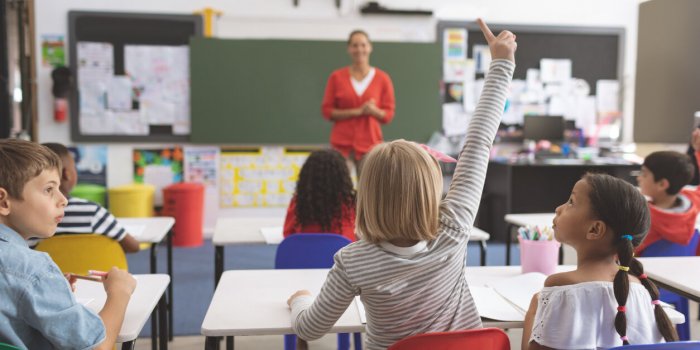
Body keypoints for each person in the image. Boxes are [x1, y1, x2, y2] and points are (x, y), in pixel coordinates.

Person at [287, 19, 515, 349]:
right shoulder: (454, 228)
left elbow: (309, 329)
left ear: (366, 194)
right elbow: (479, 141)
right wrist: (502, 63)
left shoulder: (352, 262)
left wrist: (299, 301)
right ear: (430, 189)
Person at [0, 139, 136, 349]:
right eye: (48, 190)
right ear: (3, 202)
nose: (63, 199)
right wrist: (119, 292)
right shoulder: (34, 271)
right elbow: (98, 347)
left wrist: (51, 292)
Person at [522, 173, 679, 349]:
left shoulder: (561, 287)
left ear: (595, 229)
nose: (559, 208)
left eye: (571, 202)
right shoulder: (641, 289)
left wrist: (534, 311)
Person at [321, 29, 395, 177]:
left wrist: (374, 111)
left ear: (370, 47)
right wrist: (357, 111)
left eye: (363, 45)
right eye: (355, 45)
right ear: (349, 49)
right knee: (339, 189)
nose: (359, 49)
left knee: (368, 192)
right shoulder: (336, 77)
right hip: (341, 146)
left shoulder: (382, 78)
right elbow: (327, 111)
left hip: (370, 145)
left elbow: (388, 115)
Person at [42, 142, 140, 253]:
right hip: (89, 270)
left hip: (45, 270)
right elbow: (133, 246)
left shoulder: (30, 220)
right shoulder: (93, 212)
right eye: (74, 167)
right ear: (67, 174)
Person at [635, 144, 700, 255]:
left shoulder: (641, 218)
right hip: (687, 269)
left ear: (662, 184)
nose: (639, 178)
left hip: (646, 270)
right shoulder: (693, 200)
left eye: (644, 174)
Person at [283, 149, 356, 242]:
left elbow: (288, 236)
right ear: (343, 177)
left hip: (305, 256)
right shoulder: (351, 205)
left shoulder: (299, 203)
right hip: (341, 256)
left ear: (307, 177)